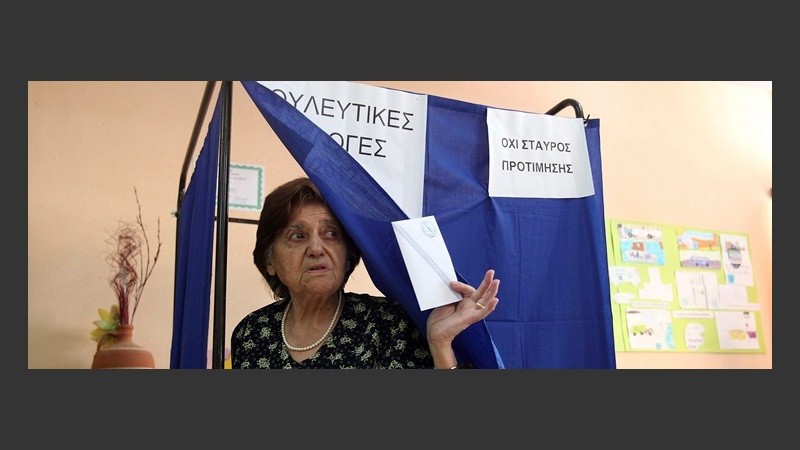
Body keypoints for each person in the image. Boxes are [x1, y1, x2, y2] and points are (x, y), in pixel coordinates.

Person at [231, 177, 499, 369]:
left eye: (331, 234)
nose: (316, 248)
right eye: (298, 236)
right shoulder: (251, 332)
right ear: (270, 261)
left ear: (347, 255)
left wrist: (440, 344)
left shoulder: (389, 324)